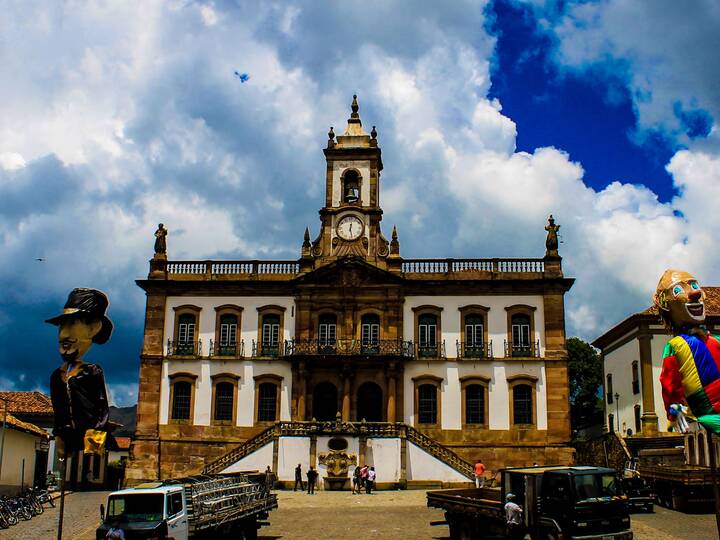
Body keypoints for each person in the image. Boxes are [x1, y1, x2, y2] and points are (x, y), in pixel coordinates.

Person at [47, 288, 113, 460]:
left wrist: (94, 445)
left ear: (93, 328)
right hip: (67, 439)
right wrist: (60, 440)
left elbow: (101, 409)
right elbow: (58, 412)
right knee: (66, 472)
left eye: (72, 324)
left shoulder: (91, 372)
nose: (63, 334)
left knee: (86, 470)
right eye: (62, 325)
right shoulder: (57, 375)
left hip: (89, 439)